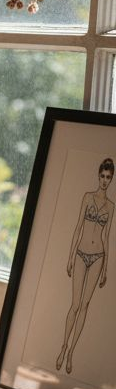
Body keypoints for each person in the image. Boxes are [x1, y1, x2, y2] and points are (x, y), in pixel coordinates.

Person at [57, 157, 113, 374]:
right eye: (102, 176)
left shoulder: (111, 206)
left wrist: (106, 266)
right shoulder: (87, 197)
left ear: (112, 179)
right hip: (81, 254)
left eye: (109, 177)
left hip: (98, 256)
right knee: (75, 304)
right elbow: (78, 227)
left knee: (85, 306)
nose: (105, 180)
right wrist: (70, 256)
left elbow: (106, 236)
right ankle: (63, 347)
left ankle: (72, 352)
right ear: (98, 175)